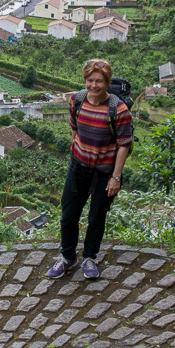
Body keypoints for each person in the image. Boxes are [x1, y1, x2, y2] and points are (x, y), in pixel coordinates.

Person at [47, 58, 133, 281]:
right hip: (79, 167)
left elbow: (124, 144)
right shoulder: (76, 100)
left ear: (107, 82)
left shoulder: (119, 109)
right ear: (84, 80)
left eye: (99, 81)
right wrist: (75, 143)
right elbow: (74, 125)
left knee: (96, 217)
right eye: (90, 80)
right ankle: (67, 257)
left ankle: (90, 258)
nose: (94, 85)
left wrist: (116, 177)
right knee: (68, 215)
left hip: (106, 172)